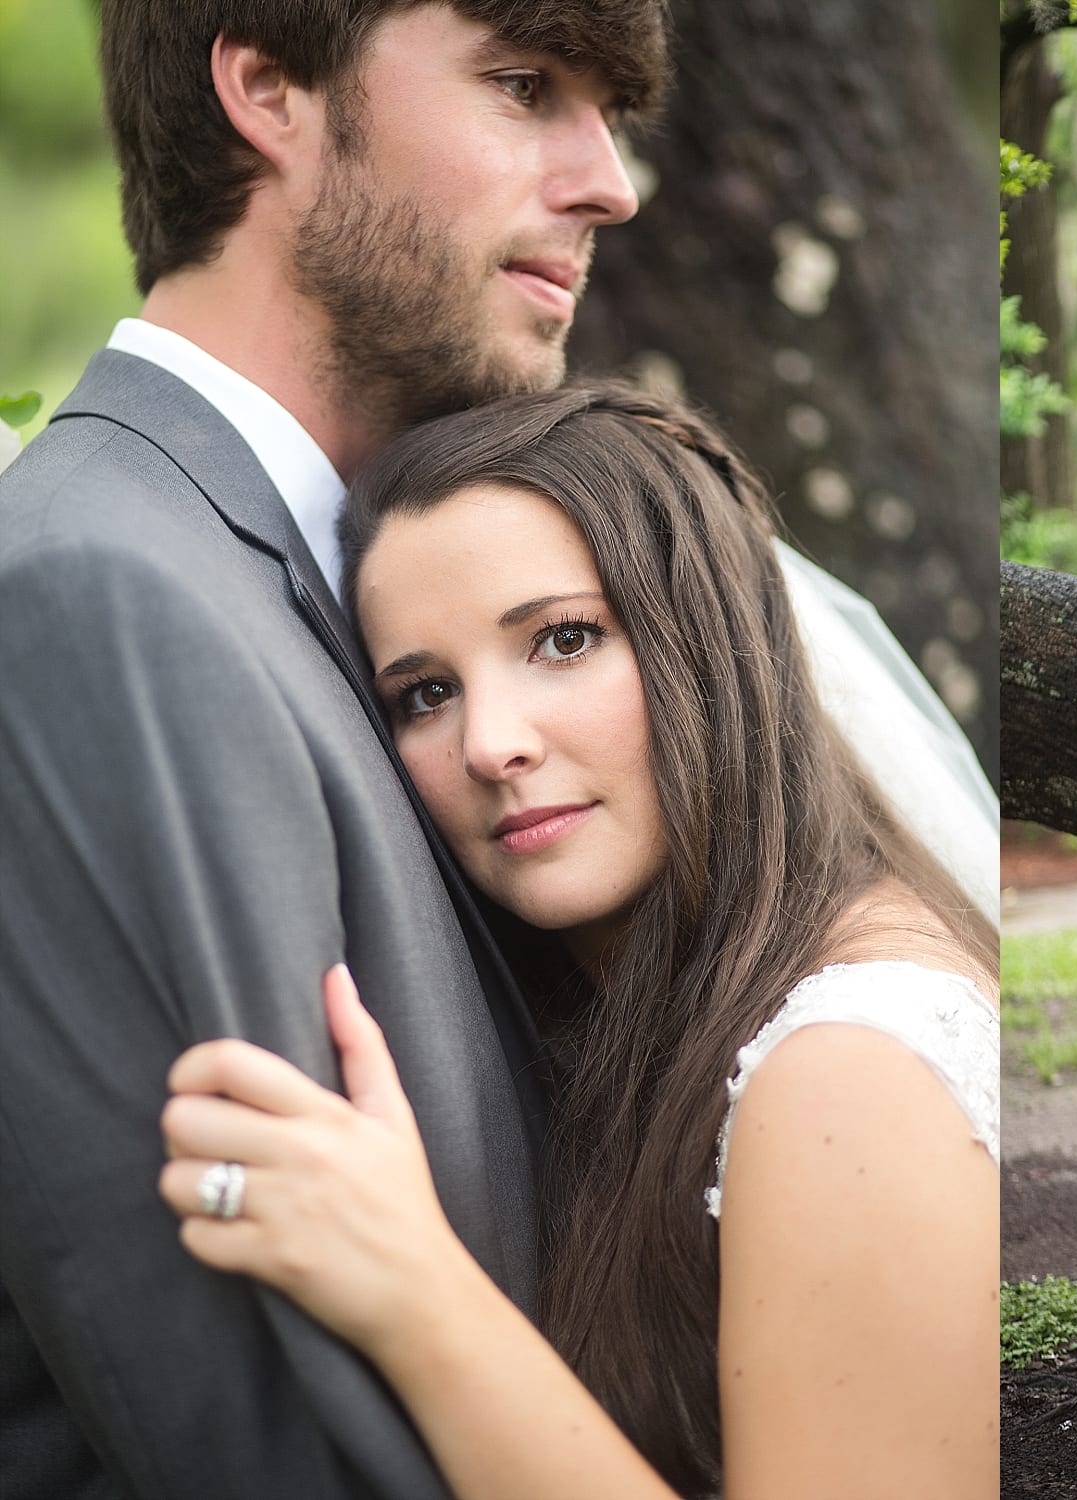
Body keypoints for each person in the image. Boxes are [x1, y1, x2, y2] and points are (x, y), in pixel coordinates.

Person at [0, 4, 663, 1495]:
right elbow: (263, 1433)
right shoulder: (97, 596)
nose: (610, 181)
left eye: (610, 108)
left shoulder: (350, 589)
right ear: (266, 88)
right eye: (523, 86)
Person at [155, 383, 1001, 1500]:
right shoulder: (649, 1011)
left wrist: (409, 1287)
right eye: (422, 694)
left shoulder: (849, 1070)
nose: (492, 744)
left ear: (710, 643)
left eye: (563, 639)